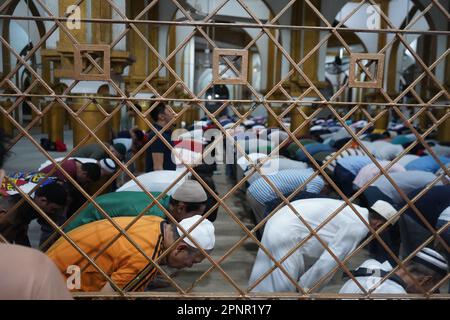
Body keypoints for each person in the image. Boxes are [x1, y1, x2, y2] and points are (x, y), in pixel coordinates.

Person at [248, 199, 398, 292]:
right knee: (282, 286)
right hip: (287, 230)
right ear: (379, 223)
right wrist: (308, 289)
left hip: (282, 220)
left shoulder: (356, 212)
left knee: (269, 275)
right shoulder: (359, 225)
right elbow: (330, 260)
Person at [47, 215, 215, 292]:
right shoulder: (145, 258)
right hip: (59, 281)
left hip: (56, 260)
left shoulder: (156, 223)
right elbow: (107, 297)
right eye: (193, 261)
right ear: (180, 248)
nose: (189, 266)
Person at [0, 130, 72, 300]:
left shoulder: (50, 188)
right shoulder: (12, 209)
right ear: (43, 201)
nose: (52, 215)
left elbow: (22, 233)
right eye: (52, 210)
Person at [63, 180, 207, 233]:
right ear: (181, 207)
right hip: (77, 233)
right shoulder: (152, 217)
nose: (196, 220)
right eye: (195, 216)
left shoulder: (161, 198)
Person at [339, 247, 448, 294]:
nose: (431, 293)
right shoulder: (397, 294)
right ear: (425, 281)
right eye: (434, 289)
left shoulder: (370, 266)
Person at [0, 176, 68, 246]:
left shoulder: (34, 202)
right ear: (43, 200)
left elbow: (21, 233)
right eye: (53, 209)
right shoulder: (18, 204)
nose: (53, 213)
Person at [246, 168, 325, 226]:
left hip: (254, 188)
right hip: (263, 195)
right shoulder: (318, 181)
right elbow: (306, 203)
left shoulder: (308, 171)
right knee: (270, 227)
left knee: (262, 226)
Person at [396, 185, 450, 256]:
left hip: (410, 209)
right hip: (416, 214)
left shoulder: (444, 189)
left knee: (414, 251)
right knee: (421, 254)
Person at [145, 102, 176, 172]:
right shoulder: (158, 135)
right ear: (161, 116)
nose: (174, 113)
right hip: (162, 180)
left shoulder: (166, 133)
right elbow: (158, 168)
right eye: (170, 111)